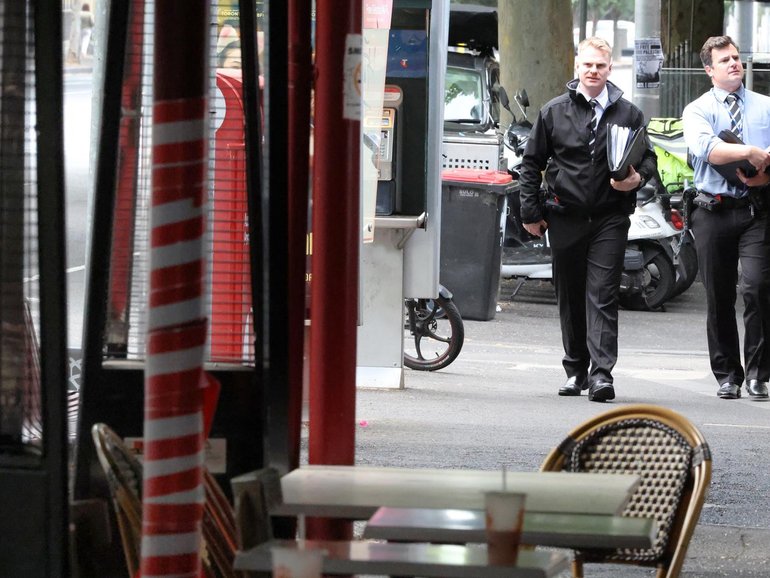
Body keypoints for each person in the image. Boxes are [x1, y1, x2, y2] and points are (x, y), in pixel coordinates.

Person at [518, 37, 657, 402]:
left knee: (603, 294)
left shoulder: (629, 113)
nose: (593, 71)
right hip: (565, 216)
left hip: (610, 218)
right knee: (570, 295)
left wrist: (636, 179)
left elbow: (648, 159)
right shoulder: (554, 111)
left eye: (600, 65)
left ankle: (601, 375)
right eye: (587, 65)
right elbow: (531, 163)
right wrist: (530, 213)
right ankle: (575, 368)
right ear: (577, 67)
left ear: (610, 68)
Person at [682, 35, 770, 401]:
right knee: (718, 296)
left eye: (736, 57)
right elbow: (706, 149)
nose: (734, 63)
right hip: (711, 210)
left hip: (756, 210)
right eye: (725, 60)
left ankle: (758, 374)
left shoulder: (766, 106)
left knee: (757, 287)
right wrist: (750, 151)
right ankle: (727, 375)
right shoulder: (698, 110)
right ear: (709, 70)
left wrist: (766, 174)